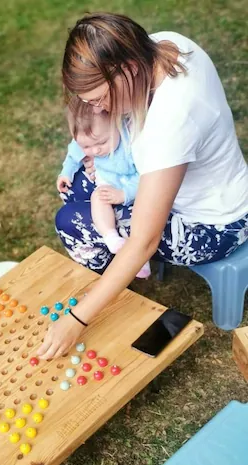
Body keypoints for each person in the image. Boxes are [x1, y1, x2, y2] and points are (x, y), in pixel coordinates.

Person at [40, 12, 248, 359]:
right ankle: (116, 277)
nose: (96, 108)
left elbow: (144, 240)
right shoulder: (168, 45)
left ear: (129, 70)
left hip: (214, 226)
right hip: (223, 188)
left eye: (98, 98)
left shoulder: (171, 121)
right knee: (78, 187)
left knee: (73, 221)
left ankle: (115, 293)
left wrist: (76, 318)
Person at [57, 109, 150, 278]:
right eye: (86, 147)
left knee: (141, 217)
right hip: (107, 184)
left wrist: (124, 194)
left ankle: (141, 261)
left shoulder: (130, 144)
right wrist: (66, 173)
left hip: (133, 189)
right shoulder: (88, 141)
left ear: (116, 126)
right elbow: (73, 155)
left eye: (101, 143)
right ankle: (111, 237)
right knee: (98, 198)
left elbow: (145, 176)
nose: (95, 151)